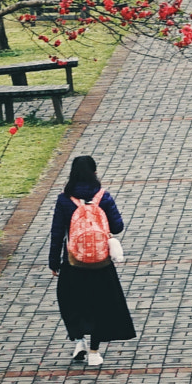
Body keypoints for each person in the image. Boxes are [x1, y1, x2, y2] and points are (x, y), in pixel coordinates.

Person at [48, 156, 135, 367]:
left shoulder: (64, 200)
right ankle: (94, 353)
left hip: (74, 262)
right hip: (101, 263)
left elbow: (57, 233)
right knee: (101, 306)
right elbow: (117, 227)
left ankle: (79, 340)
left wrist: (54, 262)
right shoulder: (103, 197)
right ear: (95, 173)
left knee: (71, 302)